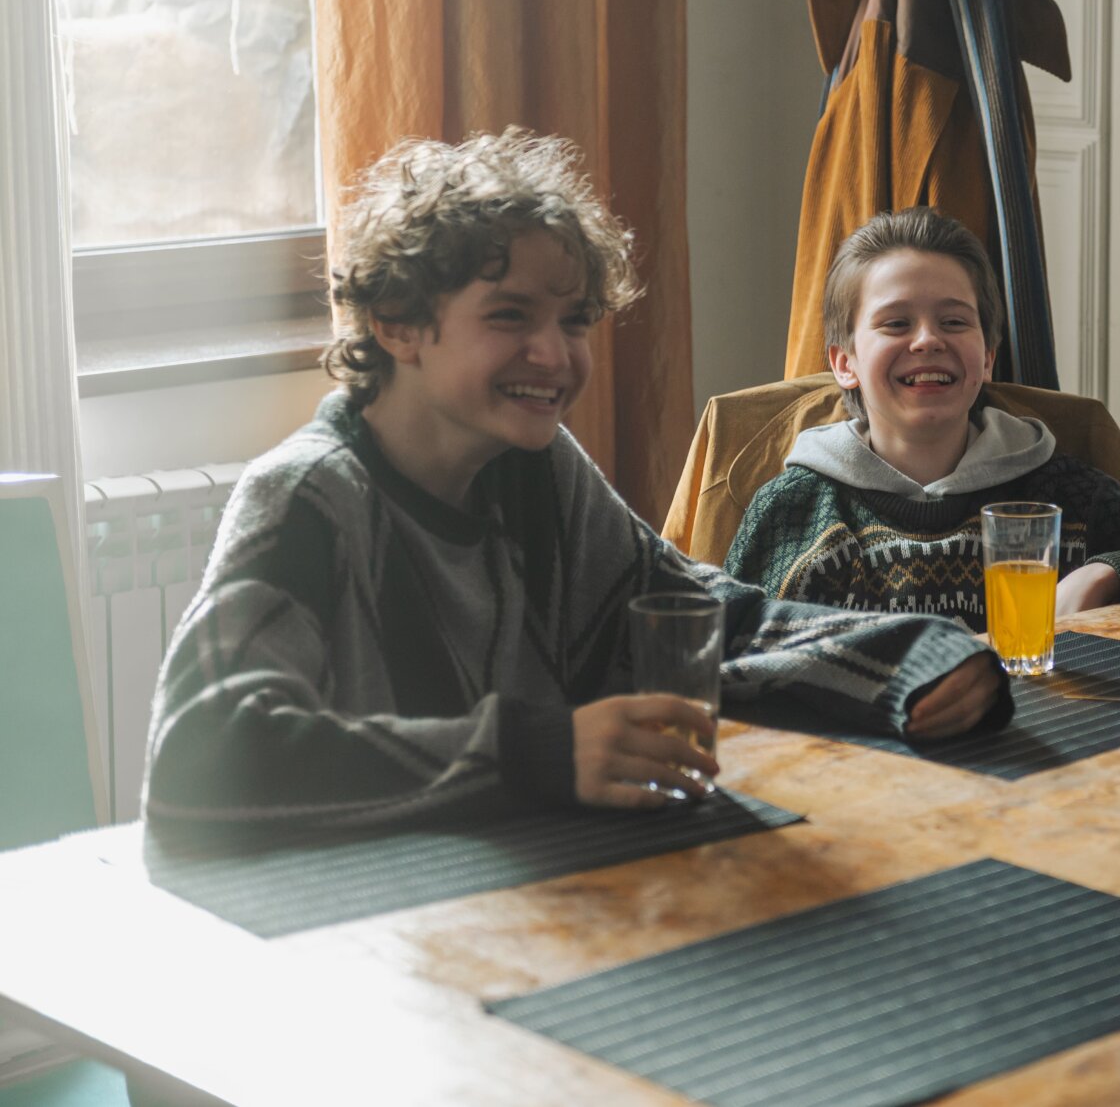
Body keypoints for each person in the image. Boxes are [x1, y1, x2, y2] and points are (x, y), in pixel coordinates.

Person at [142, 130, 1006, 831]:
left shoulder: (539, 471)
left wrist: (915, 654)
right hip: (350, 939)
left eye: (575, 321)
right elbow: (200, 757)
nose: (554, 356)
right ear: (397, 322)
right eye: (509, 315)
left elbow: (705, 620)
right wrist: (538, 752)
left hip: (513, 905)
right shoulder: (309, 497)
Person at [725, 207, 1120, 630]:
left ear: (987, 358)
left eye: (953, 321)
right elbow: (728, 647)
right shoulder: (792, 511)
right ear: (844, 363)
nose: (928, 340)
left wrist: (1105, 572)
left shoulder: (1067, 497)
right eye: (896, 323)